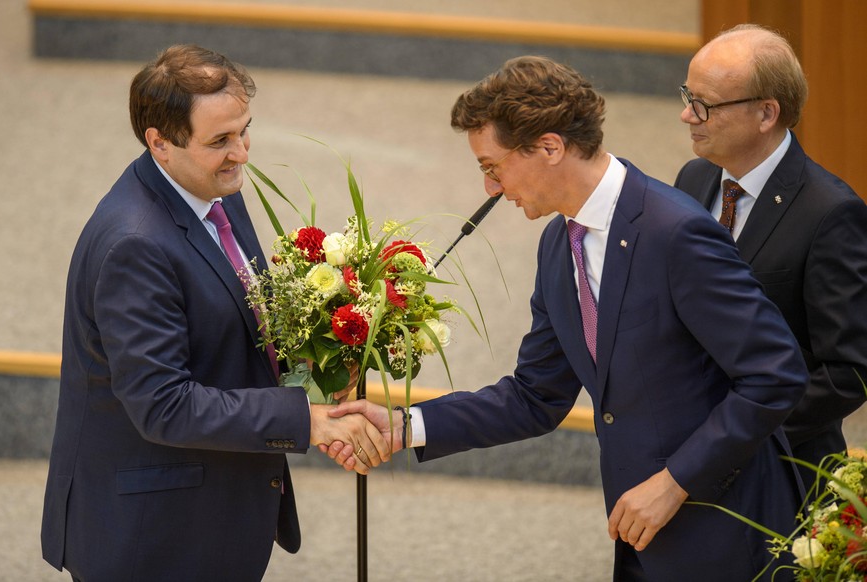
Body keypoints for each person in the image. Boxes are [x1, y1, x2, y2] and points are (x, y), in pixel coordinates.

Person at [324, 56, 808, 580]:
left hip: (727, 530)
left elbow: (774, 375)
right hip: (640, 535)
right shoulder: (560, 243)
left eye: (492, 166)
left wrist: (674, 483)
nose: (490, 187)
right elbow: (536, 396)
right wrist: (403, 427)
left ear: (550, 147)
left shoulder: (675, 233)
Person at [40, 45, 389, 581]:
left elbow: (240, 320)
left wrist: (324, 374)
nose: (242, 153)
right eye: (220, 141)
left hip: (208, 511)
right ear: (159, 143)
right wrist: (305, 421)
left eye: (244, 130)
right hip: (153, 536)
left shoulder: (212, 188)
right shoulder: (135, 246)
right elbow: (163, 406)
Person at [674, 24, 867, 487]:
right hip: (683, 450)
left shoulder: (831, 212)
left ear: (766, 114)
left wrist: (734, 437)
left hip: (779, 469)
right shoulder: (693, 179)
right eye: (687, 95)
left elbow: (849, 370)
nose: (686, 115)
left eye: (704, 104)